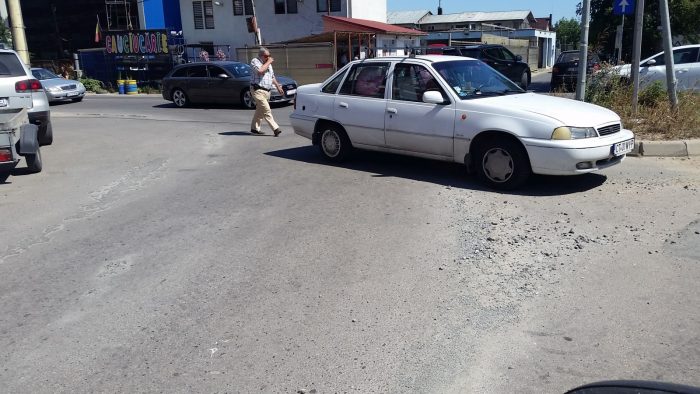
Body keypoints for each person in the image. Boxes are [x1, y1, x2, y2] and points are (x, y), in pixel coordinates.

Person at [249, 47, 284, 136]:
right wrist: (268, 62)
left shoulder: (268, 64)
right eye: (266, 56)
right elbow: (260, 71)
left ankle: (254, 128)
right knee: (266, 110)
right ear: (261, 56)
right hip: (258, 90)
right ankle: (276, 129)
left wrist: (278, 86)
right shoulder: (255, 61)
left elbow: (272, 77)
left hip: (267, 91)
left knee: (260, 111)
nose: (268, 58)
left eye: (269, 56)